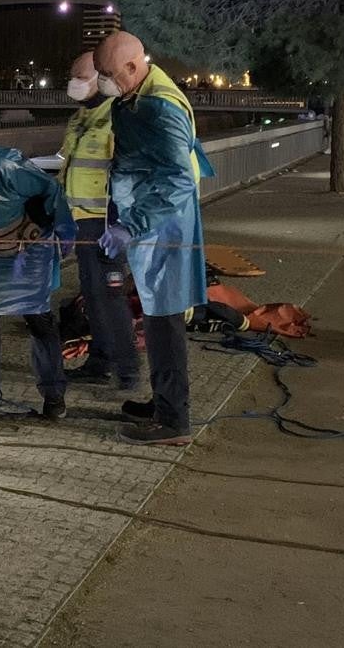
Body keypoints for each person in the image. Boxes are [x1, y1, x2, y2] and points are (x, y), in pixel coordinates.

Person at [93, 31, 211, 446]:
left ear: (131, 66)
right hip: (151, 227)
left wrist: (132, 224)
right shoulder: (135, 98)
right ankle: (163, 402)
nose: (103, 82)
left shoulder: (159, 108)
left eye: (108, 74)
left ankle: (174, 420)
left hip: (164, 230)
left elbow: (178, 178)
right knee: (158, 318)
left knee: (165, 323)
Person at [0, 146, 74, 425]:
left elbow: (51, 190)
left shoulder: (3, 166)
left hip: (29, 249)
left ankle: (54, 397)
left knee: (39, 319)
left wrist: (64, 232)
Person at [58, 51, 140, 390]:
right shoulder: (81, 117)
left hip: (107, 221)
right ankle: (101, 361)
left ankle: (128, 370)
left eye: (81, 78)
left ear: (100, 79)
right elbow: (69, 168)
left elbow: (129, 171)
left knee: (111, 295)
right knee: (92, 295)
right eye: (72, 77)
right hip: (81, 221)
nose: (74, 84)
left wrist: (122, 223)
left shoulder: (118, 116)